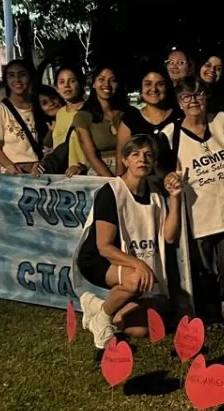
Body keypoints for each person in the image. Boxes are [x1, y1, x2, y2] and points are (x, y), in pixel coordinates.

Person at [76, 135, 183, 349]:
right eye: (135, 154)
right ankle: (101, 319)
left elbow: (169, 237)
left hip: (128, 262)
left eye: (148, 155)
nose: (142, 159)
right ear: (125, 160)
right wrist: (138, 264)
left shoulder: (154, 193)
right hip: (97, 260)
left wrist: (175, 198)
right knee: (135, 279)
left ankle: (97, 306)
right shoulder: (111, 191)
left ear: (153, 163)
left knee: (140, 330)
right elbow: (104, 246)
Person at [162, 77, 224, 327]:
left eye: (198, 94)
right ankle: (209, 310)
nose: (193, 100)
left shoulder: (222, 121)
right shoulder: (170, 134)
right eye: (186, 97)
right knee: (204, 268)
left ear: (206, 96)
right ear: (179, 103)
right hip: (196, 213)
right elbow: (162, 172)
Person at [0, 59, 44, 176]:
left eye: (22, 75)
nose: (17, 80)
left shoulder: (41, 107)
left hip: (41, 172)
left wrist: (45, 163)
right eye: (11, 75)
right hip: (14, 174)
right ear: (6, 80)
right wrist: (9, 166)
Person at [118, 69, 178, 176]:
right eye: (148, 84)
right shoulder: (130, 119)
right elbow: (121, 158)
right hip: (142, 187)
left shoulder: (179, 117)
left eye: (160, 84)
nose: (154, 89)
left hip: (177, 184)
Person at [71, 67, 127, 177]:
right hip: (100, 172)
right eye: (101, 79)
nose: (107, 84)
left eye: (113, 80)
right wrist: (114, 183)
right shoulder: (83, 116)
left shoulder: (127, 114)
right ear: (93, 84)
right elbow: (92, 157)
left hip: (128, 169)